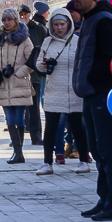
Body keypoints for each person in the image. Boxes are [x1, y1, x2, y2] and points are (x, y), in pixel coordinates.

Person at [71, 0, 112, 220]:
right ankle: (103, 198)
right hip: (90, 94)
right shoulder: (89, 20)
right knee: (96, 148)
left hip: (101, 93)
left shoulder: (103, 20)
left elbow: (110, 58)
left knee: (107, 148)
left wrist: (92, 80)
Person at [34, 9, 90, 175]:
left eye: (62, 24)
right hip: (54, 90)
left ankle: (84, 160)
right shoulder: (47, 42)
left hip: (73, 91)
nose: (59, 28)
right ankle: (47, 162)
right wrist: (43, 65)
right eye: (56, 24)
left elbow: (84, 63)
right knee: (51, 128)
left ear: (69, 24)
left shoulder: (77, 41)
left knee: (77, 127)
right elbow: (37, 64)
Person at [0, 8, 33, 165]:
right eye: (4, 20)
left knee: (19, 119)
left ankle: (19, 152)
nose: (6, 23)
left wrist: (17, 73)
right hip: (3, 84)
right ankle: (17, 151)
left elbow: (31, 61)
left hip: (19, 83)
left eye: (9, 19)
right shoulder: (0, 39)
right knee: (9, 119)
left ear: (15, 20)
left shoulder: (24, 39)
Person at [25, 1, 50, 146]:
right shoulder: (38, 28)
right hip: (30, 72)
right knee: (30, 106)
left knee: (34, 106)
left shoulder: (39, 28)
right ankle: (23, 135)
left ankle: (35, 135)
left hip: (35, 73)